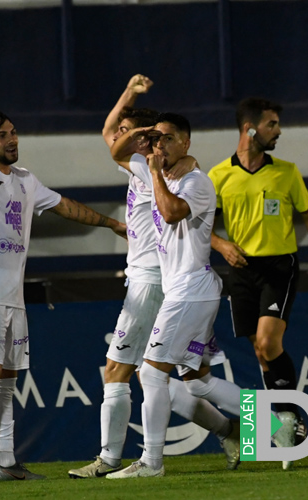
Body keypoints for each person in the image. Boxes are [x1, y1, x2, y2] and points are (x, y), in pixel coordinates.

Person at [0, 109, 127, 483]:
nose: (12, 139)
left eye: (14, 132)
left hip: (12, 297)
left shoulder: (26, 181)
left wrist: (112, 223)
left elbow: (65, 206)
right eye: (2, 135)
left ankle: (4, 461)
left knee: (7, 379)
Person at [68, 81, 240, 479]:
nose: (126, 139)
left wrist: (157, 158)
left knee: (123, 371)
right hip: (171, 279)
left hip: (155, 280)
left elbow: (180, 211)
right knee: (190, 381)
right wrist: (129, 94)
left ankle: (115, 459)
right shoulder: (151, 167)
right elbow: (111, 140)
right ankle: (248, 428)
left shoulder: (167, 175)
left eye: (138, 134)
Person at [107, 113, 244, 478]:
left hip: (190, 291)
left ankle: (151, 463)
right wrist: (140, 133)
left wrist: (152, 173)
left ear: (186, 142)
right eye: (156, 140)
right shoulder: (162, 174)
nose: (159, 146)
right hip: (184, 292)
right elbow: (115, 150)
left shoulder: (196, 182)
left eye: (168, 139)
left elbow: (169, 214)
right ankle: (275, 422)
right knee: (197, 380)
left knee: (151, 374)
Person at [208, 98, 308, 454]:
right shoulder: (218, 176)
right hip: (240, 270)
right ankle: (284, 426)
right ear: (250, 130)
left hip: (279, 266)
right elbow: (200, 226)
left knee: (267, 342)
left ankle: (289, 416)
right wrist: (221, 245)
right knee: (260, 353)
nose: (278, 131)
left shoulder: (286, 171)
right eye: (272, 124)